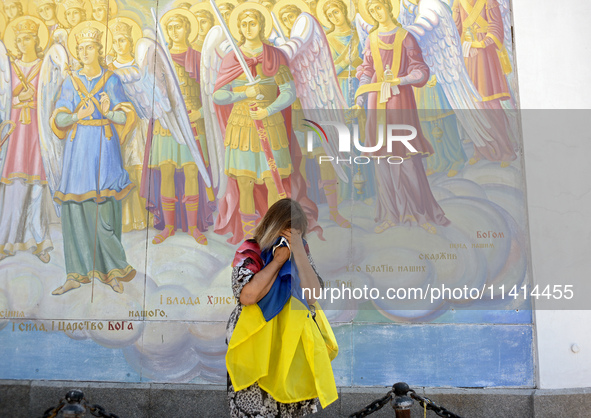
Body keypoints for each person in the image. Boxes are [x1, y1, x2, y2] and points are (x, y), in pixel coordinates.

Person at [212, 4, 323, 244]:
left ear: (261, 25)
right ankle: (251, 238)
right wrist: (243, 93)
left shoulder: (274, 55)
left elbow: (288, 91)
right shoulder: (233, 56)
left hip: (270, 122)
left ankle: (274, 234)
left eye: (253, 22)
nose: (248, 27)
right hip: (242, 124)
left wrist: (268, 109)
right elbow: (218, 94)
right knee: (245, 181)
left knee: (274, 179)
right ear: (239, 28)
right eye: (244, 24)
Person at [226, 198, 338, 416]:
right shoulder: (251, 250)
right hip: (255, 341)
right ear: (273, 226)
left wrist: (298, 252)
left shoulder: (301, 252)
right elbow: (247, 296)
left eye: (297, 233)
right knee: (257, 408)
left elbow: (313, 295)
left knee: (290, 405)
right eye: (287, 232)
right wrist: (277, 262)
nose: (290, 238)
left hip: (291, 342)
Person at [49, 23, 138, 295]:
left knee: (105, 211)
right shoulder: (70, 81)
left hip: (105, 147)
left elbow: (127, 116)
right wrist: (77, 115)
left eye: (89, 47)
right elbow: (59, 118)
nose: (84, 52)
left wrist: (107, 111)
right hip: (78, 152)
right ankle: (75, 274)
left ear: (99, 50)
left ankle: (112, 270)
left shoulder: (111, 80)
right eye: (80, 48)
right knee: (75, 210)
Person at [354, 0, 450, 234]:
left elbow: (421, 70)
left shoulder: (404, 36)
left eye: (380, 7)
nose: (377, 12)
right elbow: (367, 69)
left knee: (404, 157)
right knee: (382, 159)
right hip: (376, 102)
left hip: (400, 100)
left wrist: (400, 80)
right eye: (372, 10)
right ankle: (390, 214)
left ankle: (418, 213)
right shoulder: (372, 38)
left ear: (389, 8)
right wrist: (361, 93)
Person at [0, 17, 53, 263]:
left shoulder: (46, 66)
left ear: (36, 39)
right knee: (14, 187)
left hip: (37, 131)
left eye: (27, 38)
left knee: (37, 189)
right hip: (17, 134)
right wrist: (19, 94)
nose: (22, 43)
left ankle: (38, 241)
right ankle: (6, 240)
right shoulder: (9, 68)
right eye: (18, 39)